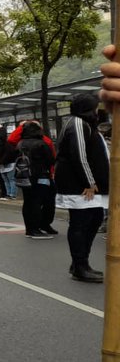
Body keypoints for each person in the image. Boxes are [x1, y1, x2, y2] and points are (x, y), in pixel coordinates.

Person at [54, 93, 109, 283]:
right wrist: (90, 182)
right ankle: (80, 265)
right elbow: (79, 155)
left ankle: (80, 262)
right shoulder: (77, 123)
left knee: (94, 219)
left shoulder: (84, 124)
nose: (98, 110)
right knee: (81, 222)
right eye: (95, 106)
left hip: (86, 183)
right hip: (79, 184)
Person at [15, 122, 57, 239]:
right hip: (41, 177)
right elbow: (51, 160)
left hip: (24, 177)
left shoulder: (20, 143)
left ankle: (30, 228)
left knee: (28, 202)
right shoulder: (41, 144)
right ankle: (38, 227)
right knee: (44, 202)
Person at [0, 127, 18, 201]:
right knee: (7, 180)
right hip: (3, 164)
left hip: (8, 163)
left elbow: (7, 154)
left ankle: (12, 194)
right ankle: (9, 194)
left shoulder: (4, 144)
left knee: (10, 179)